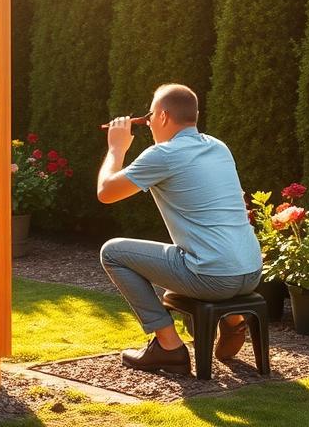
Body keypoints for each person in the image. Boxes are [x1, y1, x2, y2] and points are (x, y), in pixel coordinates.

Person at [96, 83, 261, 374]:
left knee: (112, 252)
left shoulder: (164, 155)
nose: (148, 123)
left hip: (213, 276)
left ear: (161, 116)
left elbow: (106, 192)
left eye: (149, 116)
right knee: (192, 255)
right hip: (250, 271)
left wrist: (116, 148)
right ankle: (233, 320)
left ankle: (168, 347)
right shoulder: (218, 147)